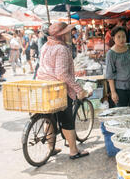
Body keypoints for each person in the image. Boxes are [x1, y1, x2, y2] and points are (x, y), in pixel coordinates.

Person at [37, 22, 90, 160]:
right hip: (58, 89)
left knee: (49, 118)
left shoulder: (45, 46)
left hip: (44, 86)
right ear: (61, 35)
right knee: (66, 119)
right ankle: (73, 150)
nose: (70, 34)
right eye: (67, 32)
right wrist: (78, 89)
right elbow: (62, 74)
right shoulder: (61, 49)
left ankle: (51, 147)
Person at [105, 26, 130, 107]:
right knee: (122, 113)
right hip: (120, 89)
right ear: (113, 38)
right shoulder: (111, 54)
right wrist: (113, 92)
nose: (122, 39)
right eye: (118, 37)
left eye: (123, 36)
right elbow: (109, 74)